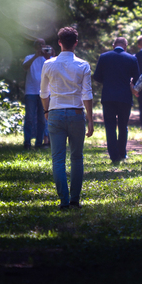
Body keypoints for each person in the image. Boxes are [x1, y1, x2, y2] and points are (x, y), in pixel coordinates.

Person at [40, 27, 94, 209]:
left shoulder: (48, 64)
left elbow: (43, 92)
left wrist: (46, 112)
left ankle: (63, 200)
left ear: (59, 42)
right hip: (76, 113)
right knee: (77, 158)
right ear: (76, 43)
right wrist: (91, 120)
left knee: (58, 159)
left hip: (55, 112)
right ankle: (74, 199)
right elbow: (87, 94)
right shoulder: (83, 65)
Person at [93, 36, 140, 164]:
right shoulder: (132, 58)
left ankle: (113, 155)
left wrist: (107, 81)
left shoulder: (104, 57)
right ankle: (122, 153)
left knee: (110, 126)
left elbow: (96, 76)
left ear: (113, 45)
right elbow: (137, 78)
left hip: (108, 97)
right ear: (125, 46)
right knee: (123, 126)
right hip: (124, 97)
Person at [22, 39, 53, 149]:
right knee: (29, 118)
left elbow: (55, 69)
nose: (40, 47)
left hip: (45, 92)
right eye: (38, 45)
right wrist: (36, 56)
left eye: (42, 45)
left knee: (42, 119)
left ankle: (39, 143)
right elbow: (25, 67)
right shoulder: (29, 57)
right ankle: (27, 142)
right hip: (31, 91)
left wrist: (49, 56)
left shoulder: (49, 59)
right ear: (35, 47)